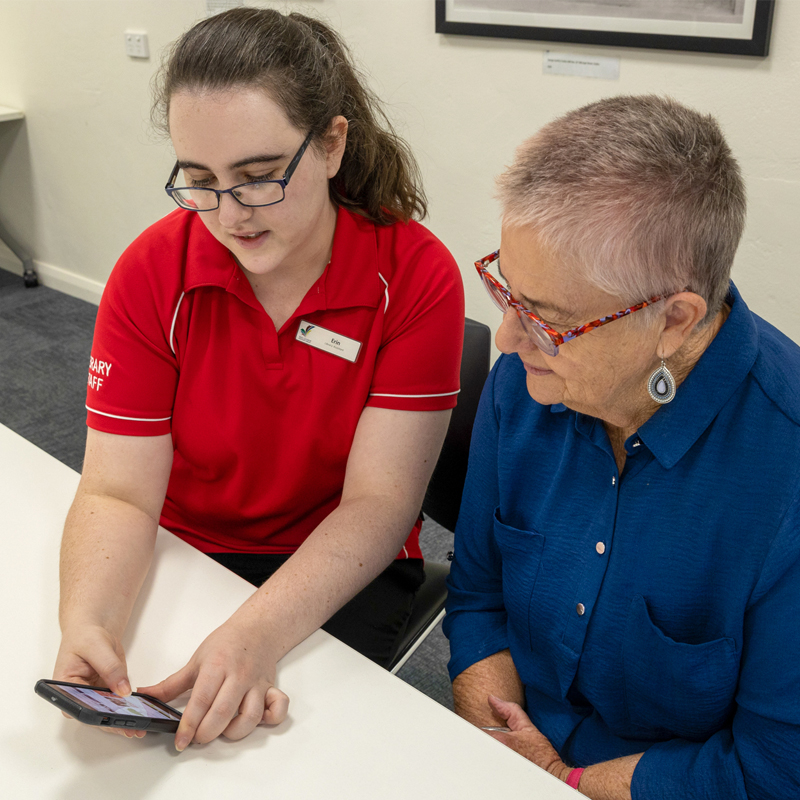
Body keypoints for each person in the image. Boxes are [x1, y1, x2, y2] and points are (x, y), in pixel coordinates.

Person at [55, 8, 464, 752]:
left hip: (342, 557)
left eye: (258, 178)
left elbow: (380, 503)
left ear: (332, 144)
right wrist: (88, 621)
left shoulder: (413, 275)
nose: (229, 214)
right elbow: (118, 491)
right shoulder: (152, 272)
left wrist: (255, 632)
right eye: (200, 181)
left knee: (291, 757)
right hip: (188, 548)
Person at [443, 95, 800, 799]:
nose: (508, 341)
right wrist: (500, 751)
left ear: (674, 321)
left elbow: (773, 765)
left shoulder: (783, 470)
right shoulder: (528, 380)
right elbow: (478, 599)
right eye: (506, 292)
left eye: (548, 320)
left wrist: (562, 781)